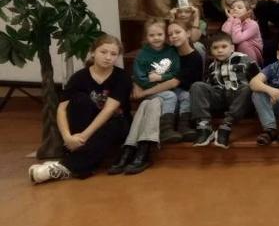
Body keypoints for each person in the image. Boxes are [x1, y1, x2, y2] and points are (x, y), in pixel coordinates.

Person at [29, 34, 132, 184]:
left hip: (113, 124)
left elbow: (108, 111)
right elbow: (62, 110)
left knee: (115, 123)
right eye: (103, 52)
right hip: (84, 125)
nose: (108, 57)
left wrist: (83, 137)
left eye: (113, 54)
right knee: (79, 100)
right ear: (93, 52)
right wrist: (68, 138)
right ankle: (78, 163)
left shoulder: (122, 77)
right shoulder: (79, 77)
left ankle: (65, 167)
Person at [190, 32, 259, 149]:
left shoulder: (244, 59)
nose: (220, 50)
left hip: (239, 98)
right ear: (211, 51)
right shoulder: (211, 65)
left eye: (224, 46)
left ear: (232, 47)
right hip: (220, 97)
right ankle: (204, 127)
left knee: (248, 87)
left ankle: (226, 125)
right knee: (197, 86)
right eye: (215, 48)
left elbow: (259, 78)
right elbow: (208, 86)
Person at [130, 17, 181, 146]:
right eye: (151, 35)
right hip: (150, 89)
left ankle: (171, 124)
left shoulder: (171, 51)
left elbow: (176, 72)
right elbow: (139, 77)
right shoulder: (142, 54)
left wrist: (161, 78)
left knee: (180, 96)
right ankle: (165, 129)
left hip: (168, 86)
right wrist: (153, 85)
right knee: (170, 96)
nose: (156, 38)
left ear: (165, 35)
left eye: (159, 34)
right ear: (146, 37)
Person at [221, 0, 263, 65]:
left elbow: (236, 39)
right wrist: (230, 19)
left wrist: (237, 20)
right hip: (235, 51)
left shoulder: (253, 24)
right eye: (232, 7)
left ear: (248, 12)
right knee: (225, 43)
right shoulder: (231, 21)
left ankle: (252, 67)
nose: (235, 9)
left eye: (239, 7)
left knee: (243, 44)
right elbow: (224, 36)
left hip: (253, 52)